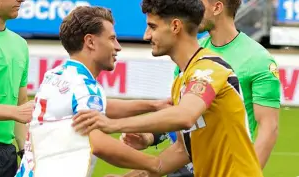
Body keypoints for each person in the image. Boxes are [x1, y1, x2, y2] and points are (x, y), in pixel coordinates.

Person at [72, 0, 264, 176]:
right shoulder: (182, 80)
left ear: (175, 26)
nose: (146, 35)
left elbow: (184, 116)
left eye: (152, 27)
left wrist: (113, 124)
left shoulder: (209, 67)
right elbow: (182, 150)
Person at [123, 0, 281, 170]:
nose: (193, 8)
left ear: (217, 7)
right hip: (188, 162)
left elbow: (269, 128)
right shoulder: (193, 51)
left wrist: (249, 172)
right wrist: (152, 137)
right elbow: (184, 113)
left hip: (227, 165)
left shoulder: (258, 59)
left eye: (199, 3)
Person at [16, 6, 172, 177]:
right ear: (90, 42)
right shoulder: (84, 86)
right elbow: (97, 142)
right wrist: (156, 164)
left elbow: (99, 106)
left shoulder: (56, 75)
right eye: (112, 39)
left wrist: (153, 105)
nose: (118, 47)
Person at [0, 0, 34, 176]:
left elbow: (21, 104)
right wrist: (14, 112)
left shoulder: (20, 44)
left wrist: (24, 152)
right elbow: (18, 111)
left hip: (7, 155)